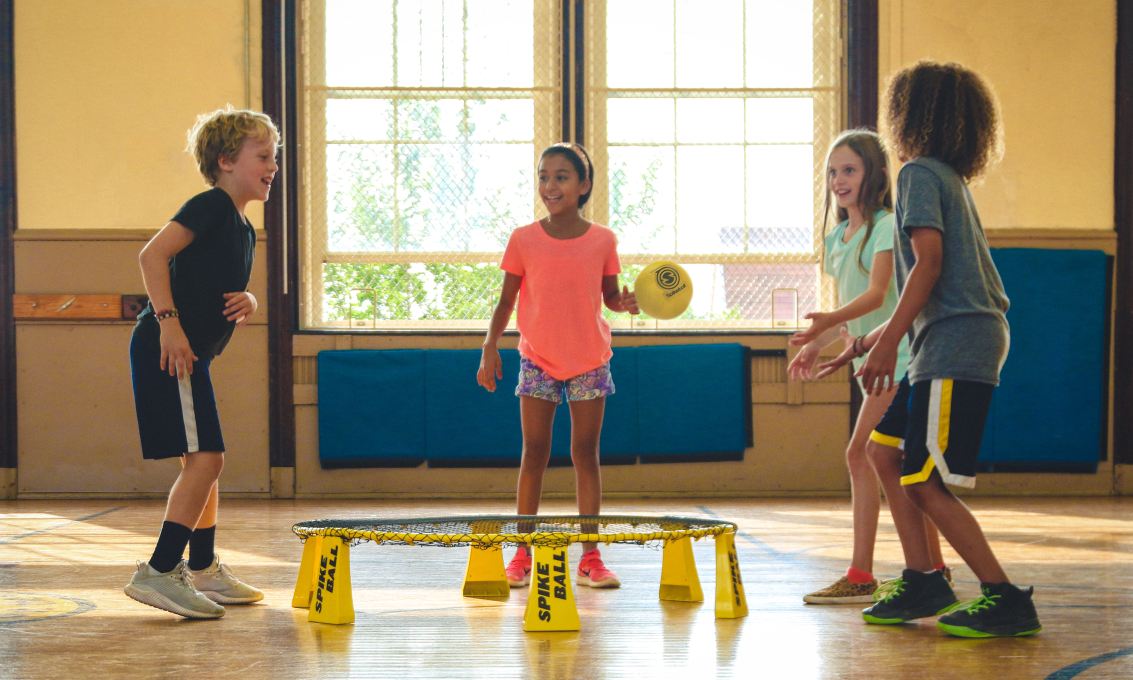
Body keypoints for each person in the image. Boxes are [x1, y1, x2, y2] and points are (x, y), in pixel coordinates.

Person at [816, 61, 1041, 637]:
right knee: (882, 454)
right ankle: (923, 578)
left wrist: (887, 344)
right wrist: (865, 341)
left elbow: (931, 266)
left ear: (909, 114)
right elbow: (930, 279)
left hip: (957, 342)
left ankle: (1004, 596)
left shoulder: (918, 173)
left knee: (921, 480)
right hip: (942, 340)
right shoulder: (944, 176)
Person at [123, 108, 279, 618]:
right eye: (263, 156)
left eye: (274, 157)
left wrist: (250, 302)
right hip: (170, 349)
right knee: (207, 461)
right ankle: (160, 571)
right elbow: (152, 256)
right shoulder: (210, 204)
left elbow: (215, 283)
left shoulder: (242, 227)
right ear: (226, 160)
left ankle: (205, 568)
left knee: (205, 464)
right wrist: (168, 322)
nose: (272, 165)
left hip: (192, 356)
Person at [789, 129, 948, 605]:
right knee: (886, 464)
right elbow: (846, 304)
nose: (839, 179)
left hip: (899, 358)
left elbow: (879, 294)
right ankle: (932, 569)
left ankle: (866, 574)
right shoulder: (838, 236)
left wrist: (831, 327)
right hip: (870, 361)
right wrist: (817, 342)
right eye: (833, 171)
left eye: (850, 170)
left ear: (874, 174)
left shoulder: (886, 225)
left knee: (863, 455)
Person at [477, 143, 639, 590]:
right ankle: (521, 554)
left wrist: (622, 302)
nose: (550, 185)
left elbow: (608, 296)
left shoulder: (604, 239)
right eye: (544, 176)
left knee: (585, 455)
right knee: (534, 454)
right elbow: (506, 300)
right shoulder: (523, 238)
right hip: (538, 360)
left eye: (562, 177)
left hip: (589, 360)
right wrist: (490, 346)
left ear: (583, 185)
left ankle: (590, 556)